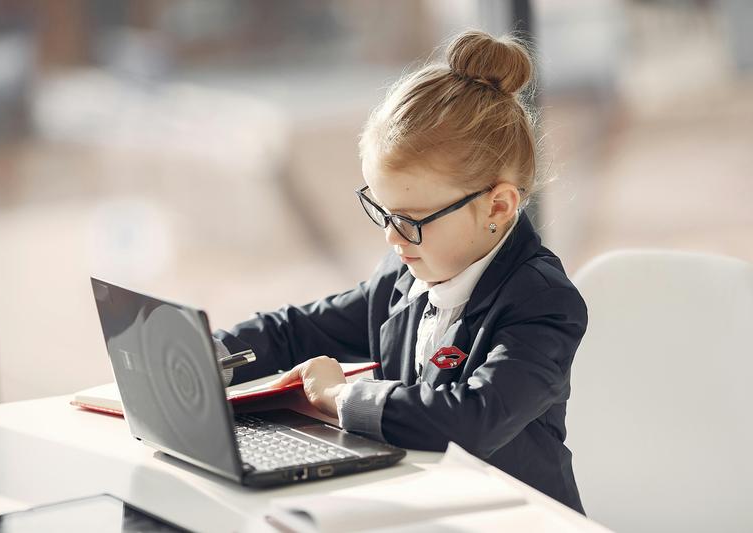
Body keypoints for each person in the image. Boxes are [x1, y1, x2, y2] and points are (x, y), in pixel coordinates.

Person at [213, 29, 588, 514]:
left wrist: (340, 397)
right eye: (384, 213)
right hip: (422, 509)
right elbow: (296, 330)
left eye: (410, 221)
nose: (391, 237)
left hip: (515, 517)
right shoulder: (404, 273)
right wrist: (206, 357)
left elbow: (470, 421)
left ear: (498, 204)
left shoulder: (542, 303)